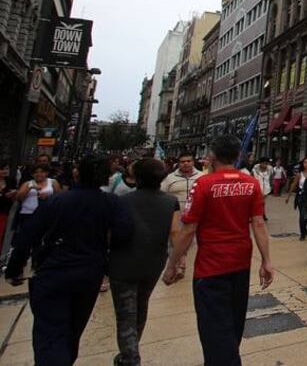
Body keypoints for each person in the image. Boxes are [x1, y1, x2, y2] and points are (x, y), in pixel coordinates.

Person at [4, 155, 133, 365]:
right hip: (90, 273)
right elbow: (124, 234)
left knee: (50, 332)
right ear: (107, 177)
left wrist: (14, 269)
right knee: (74, 329)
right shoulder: (111, 203)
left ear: (77, 173)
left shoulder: (57, 201)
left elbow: (27, 237)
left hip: (53, 271)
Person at [163, 135, 274, 366]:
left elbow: (188, 229)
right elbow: (258, 224)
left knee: (213, 327)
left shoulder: (203, 184)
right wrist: (266, 261)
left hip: (210, 267)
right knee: (234, 322)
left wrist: (172, 263)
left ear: (212, 156)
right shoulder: (251, 184)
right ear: (238, 155)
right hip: (240, 264)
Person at [109, 158, 181, 366]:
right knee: (141, 306)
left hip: (123, 263)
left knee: (125, 312)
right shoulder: (171, 202)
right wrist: (176, 262)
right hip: (153, 263)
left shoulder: (122, 201)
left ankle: (130, 357)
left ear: (137, 177)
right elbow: (175, 233)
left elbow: (110, 233)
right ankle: (131, 349)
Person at [15, 164, 60, 231]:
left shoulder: (53, 182)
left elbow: (59, 198)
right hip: (28, 214)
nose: (39, 174)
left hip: (47, 214)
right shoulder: (27, 183)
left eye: (42, 172)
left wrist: (49, 197)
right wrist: (30, 188)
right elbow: (18, 198)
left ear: (47, 173)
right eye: (36, 172)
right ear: (32, 174)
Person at [287, 157, 307, 239]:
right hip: (301, 197)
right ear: (303, 164)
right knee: (302, 215)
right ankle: (303, 233)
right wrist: (288, 196)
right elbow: (293, 185)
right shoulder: (300, 174)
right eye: (305, 162)